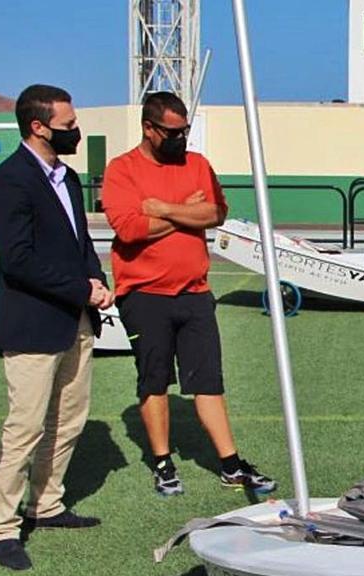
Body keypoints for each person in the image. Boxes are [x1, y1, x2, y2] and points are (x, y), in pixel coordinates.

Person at [102, 92, 275, 497]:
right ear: (149, 128)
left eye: (186, 131)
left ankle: (231, 463)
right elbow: (129, 229)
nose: (182, 139)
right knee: (155, 380)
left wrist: (162, 207)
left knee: (209, 381)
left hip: (195, 293)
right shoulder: (121, 170)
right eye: (173, 132)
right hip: (144, 296)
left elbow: (215, 213)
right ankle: (162, 462)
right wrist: (185, 213)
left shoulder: (197, 165)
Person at [0, 84, 114, 571]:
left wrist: (96, 282)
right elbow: (18, 262)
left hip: (76, 321)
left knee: (69, 419)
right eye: (67, 125)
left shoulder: (70, 178)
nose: (75, 131)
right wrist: (81, 289)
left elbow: (81, 243)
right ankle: (3, 527)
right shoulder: (10, 181)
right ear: (38, 127)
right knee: (26, 427)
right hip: (34, 324)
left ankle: (48, 503)